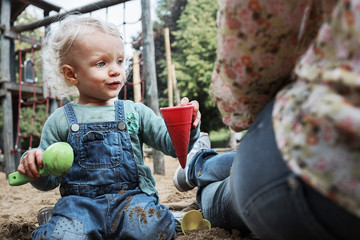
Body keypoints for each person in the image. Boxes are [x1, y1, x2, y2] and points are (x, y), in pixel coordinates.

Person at [173, 0, 360, 239]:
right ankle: (197, 165)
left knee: (217, 195)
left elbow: (246, 79)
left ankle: (197, 169)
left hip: (311, 170)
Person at [17, 15, 201, 240]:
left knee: (151, 230)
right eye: (102, 63)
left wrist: (186, 125)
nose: (116, 70)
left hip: (131, 200)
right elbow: (48, 181)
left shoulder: (135, 112)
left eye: (120, 61)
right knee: (61, 236)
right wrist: (36, 165)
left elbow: (172, 146)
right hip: (79, 206)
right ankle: (53, 220)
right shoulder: (60, 121)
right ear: (71, 74)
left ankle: (164, 218)